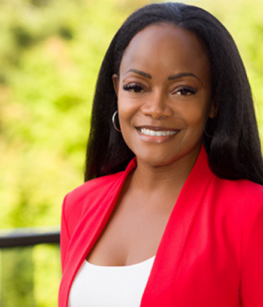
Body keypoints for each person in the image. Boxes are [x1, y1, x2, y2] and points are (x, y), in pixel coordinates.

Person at [59, 3, 263, 306]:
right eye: (136, 86)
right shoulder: (79, 205)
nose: (155, 108)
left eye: (183, 90)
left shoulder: (251, 213)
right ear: (116, 90)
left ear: (214, 102)